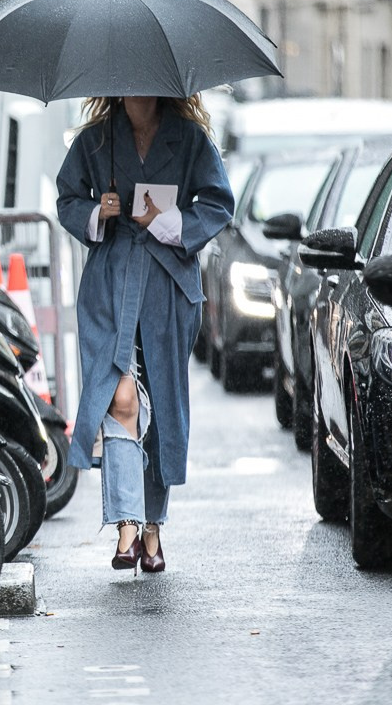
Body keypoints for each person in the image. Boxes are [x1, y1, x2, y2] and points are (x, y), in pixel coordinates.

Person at [56, 95, 234, 574]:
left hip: (168, 286)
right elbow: (68, 200)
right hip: (109, 284)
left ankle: (152, 525)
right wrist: (98, 211)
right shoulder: (96, 141)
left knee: (161, 404)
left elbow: (219, 204)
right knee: (120, 396)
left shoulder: (190, 139)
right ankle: (128, 525)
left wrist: (166, 222)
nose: (137, 89)